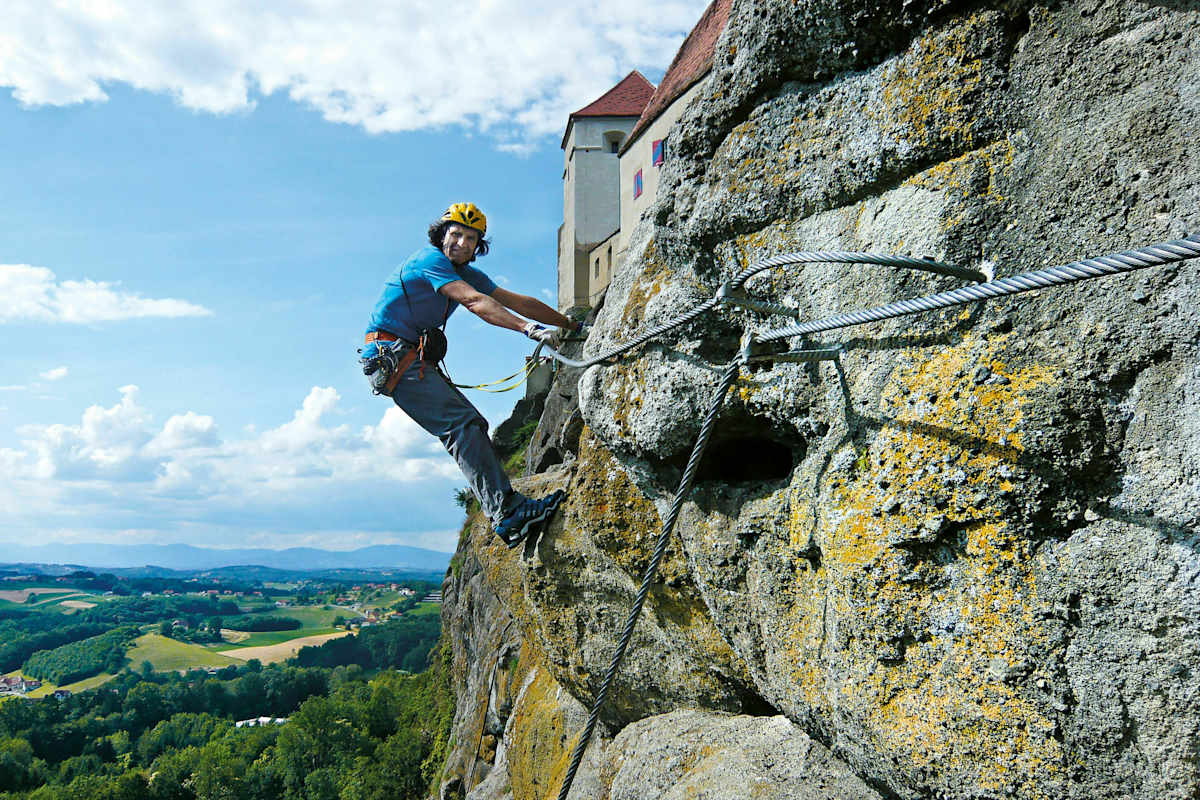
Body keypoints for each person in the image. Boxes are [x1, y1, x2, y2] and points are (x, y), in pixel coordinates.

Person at [360, 202, 577, 549]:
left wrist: (570, 324)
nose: (461, 243)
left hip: (404, 357)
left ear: (478, 246)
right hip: (393, 355)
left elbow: (516, 300)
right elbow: (474, 302)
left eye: (470, 238)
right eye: (456, 234)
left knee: (470, 424)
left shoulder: (465, 272)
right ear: (442, 235)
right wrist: (529, 330)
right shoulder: (430, 262)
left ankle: (507, 511)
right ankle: (508, 514)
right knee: (461, 425)